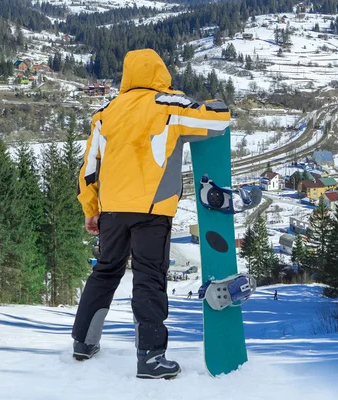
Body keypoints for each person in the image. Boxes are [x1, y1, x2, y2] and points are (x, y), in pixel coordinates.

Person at [71, 48, 230, 380]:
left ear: (127, 75)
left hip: (112, 210)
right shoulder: (171, 106)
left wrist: (91, 208)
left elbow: (88, 169)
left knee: (105, 271)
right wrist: (216, 103)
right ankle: (151, 358)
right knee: (148, 277)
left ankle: (83, 343)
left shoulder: (105, 112)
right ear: (160, 72)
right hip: (152, 210)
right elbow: (216, 122)